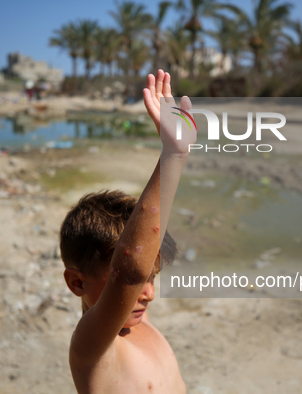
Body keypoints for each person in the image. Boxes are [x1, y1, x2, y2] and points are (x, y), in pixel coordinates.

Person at [60, 70, 194, 393]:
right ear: (77, 282)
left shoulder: (139, 323)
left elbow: (141, 251)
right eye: (138, 281)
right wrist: (174, 156)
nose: (147, 292)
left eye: (152, 278)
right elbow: (131, 267)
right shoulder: (92, 348)